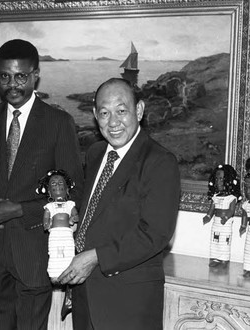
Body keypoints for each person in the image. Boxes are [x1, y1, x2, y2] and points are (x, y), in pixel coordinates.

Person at [0, 39, 84, 329]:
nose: (12, 84)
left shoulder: (58, 122)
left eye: (21, 77)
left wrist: (19, 210)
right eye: (4, 76)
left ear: (35, 75)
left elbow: (73, 190)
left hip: (34, 256)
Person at [58, 78, 180, 329]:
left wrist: (94, 257)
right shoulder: (95, 153)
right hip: (86, 297)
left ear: (139, 110)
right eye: (104, 113)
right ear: (95, 115)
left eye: (121, 111)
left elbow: (155, 234)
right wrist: (77, 216)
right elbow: (103, 209)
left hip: (128, 303)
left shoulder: (160, 162)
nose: (113, 122)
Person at [36, 169, 78, 281]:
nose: (58, 186)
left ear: (67, 189)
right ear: (49, 191)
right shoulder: (49, 207)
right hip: (54, 234)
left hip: (67, 233)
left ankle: (70, 270)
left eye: (61, 183)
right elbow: (45, 218)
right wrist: (46, 224)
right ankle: (55, 272)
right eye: (53, 184)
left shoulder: (70, 205)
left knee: (68, 251)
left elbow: (75, 215)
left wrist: (73, 219)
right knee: (55, 252)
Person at [203, 164, 241, 268]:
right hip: (216, 224)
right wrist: (208, 216)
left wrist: (226, 217)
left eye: (221, 178)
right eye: (216, 178)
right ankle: (214, 258)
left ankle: (224, 260)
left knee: (224, 242)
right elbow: (211, 210)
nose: (218, 181)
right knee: (215, 241)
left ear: (228, 180)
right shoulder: (215, 197)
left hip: (225, 224)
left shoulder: (231, 198)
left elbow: (231, 210)